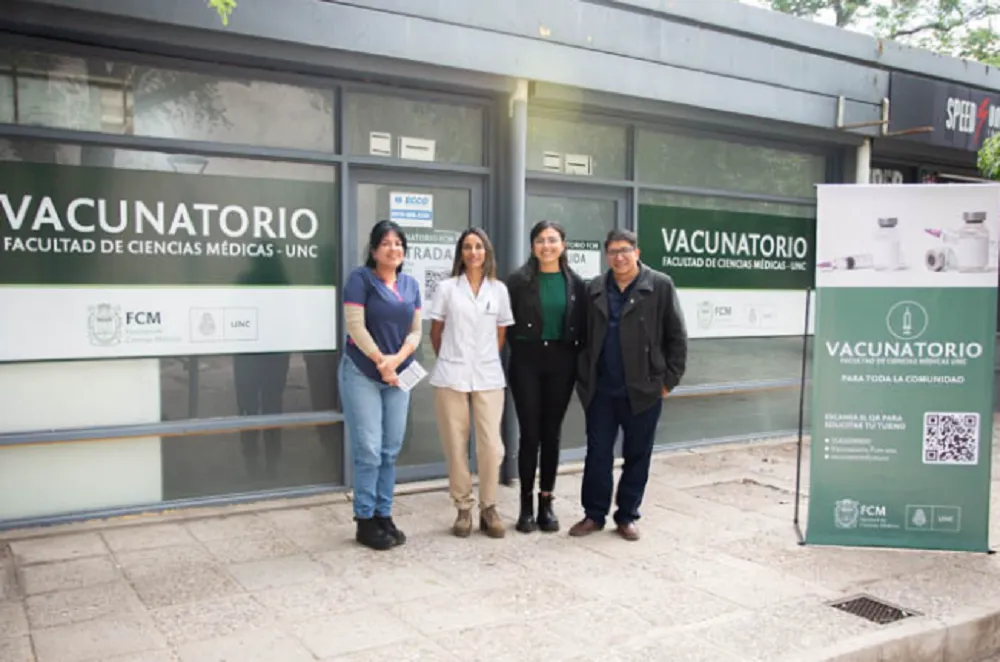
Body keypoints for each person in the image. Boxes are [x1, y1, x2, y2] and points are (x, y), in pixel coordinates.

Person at [569, 228, 687, 541]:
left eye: (625, 250)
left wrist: (668, 381)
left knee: (638, 455)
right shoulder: (594, 287)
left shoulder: (659, 285)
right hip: (602, 390)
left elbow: (676, 336)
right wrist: (585, 379)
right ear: (606, 256)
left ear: (637, 252)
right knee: (597, 454)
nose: (619, 257)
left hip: (644, 389)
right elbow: (581, 337)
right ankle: (593, 515)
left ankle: (627, 515)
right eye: (613, 251)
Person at [339, 220, 422, 551]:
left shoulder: (411, 284)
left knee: (390, 450)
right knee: (369, 450)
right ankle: (365, 519)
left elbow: (416, 331)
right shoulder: (360, 280)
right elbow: (355, 326)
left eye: (398, 243)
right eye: (386, 243)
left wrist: (396, 359)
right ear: (374, 250)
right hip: (362, 373)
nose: (393, 248)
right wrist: (380, 361)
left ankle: (383, 513)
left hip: (398, 376)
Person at [428, 227, 514, 538]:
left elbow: (501, 332)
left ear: (487, 252)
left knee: (492, 446)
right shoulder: (447, 288)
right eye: (467, 247)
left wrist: (484, 356)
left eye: (478, 246)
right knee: (455, 443)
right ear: (461, 253)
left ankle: (489, 507)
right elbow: (435, 332)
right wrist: (451, 357)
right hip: (451, 375)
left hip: (489, 375)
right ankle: (463, 508)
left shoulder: (499, 290)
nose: (473, 252)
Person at [505, 220, 587, 533]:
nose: (547, 246)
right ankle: (525, 506)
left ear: (563, 245)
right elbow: (506, 324)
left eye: (552, 240)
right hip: (526, 360)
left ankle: (546, 503)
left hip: (561, 362)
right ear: (532, 246)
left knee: (551, 434)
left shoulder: (576, 284)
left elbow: (582, 326)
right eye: (540, 240)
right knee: (530, 434)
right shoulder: (518, 281)